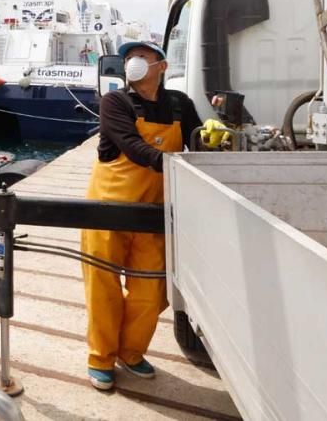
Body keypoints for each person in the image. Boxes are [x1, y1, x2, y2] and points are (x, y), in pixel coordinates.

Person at [82, 40, 202, 391]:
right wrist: (170, 162)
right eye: (129, 57)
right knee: (103, 288)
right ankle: (101, 357)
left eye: (142, 57)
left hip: (153, 215)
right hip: (107, 210)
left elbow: (198, 141)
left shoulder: (180, 104)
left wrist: (213, 141)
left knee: (151, 292)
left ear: (161, 66)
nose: (133, 62)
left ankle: (130, 352)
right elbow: (130, 144)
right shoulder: (115, 102)